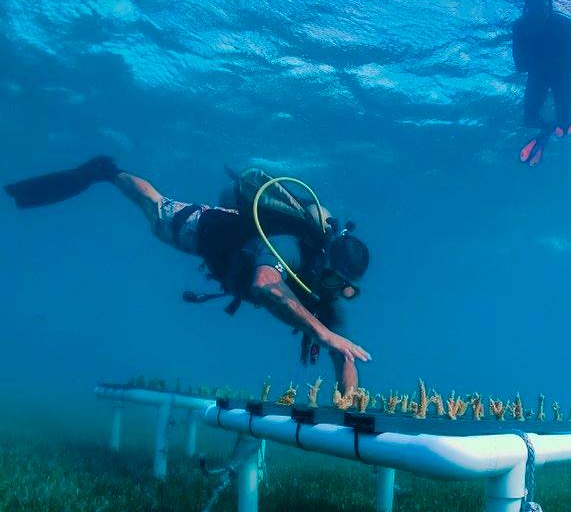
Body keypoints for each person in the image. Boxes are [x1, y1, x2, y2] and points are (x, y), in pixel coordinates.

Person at [4, 156, 371, 392]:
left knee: (334, 337)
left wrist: (348, 399)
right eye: (335, 279)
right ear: (323, 259)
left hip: (235, 259)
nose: (336, 290)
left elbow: (344, 351)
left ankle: (108, 172)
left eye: (345, 287)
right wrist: (321, 334)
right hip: (214, 232)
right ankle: (106, 171)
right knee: (156, 211)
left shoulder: (325, 288)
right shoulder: (290, 246)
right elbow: (266, 285)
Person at [512, 0, 571, 167]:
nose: (537, 13)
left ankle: (552, 129)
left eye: (538, 8)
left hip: (552, 75)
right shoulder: (563, 23)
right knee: (534, 119)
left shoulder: (521, 26)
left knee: (537, 119)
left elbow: (520, 64)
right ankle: (550, 131)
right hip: (551, 75)